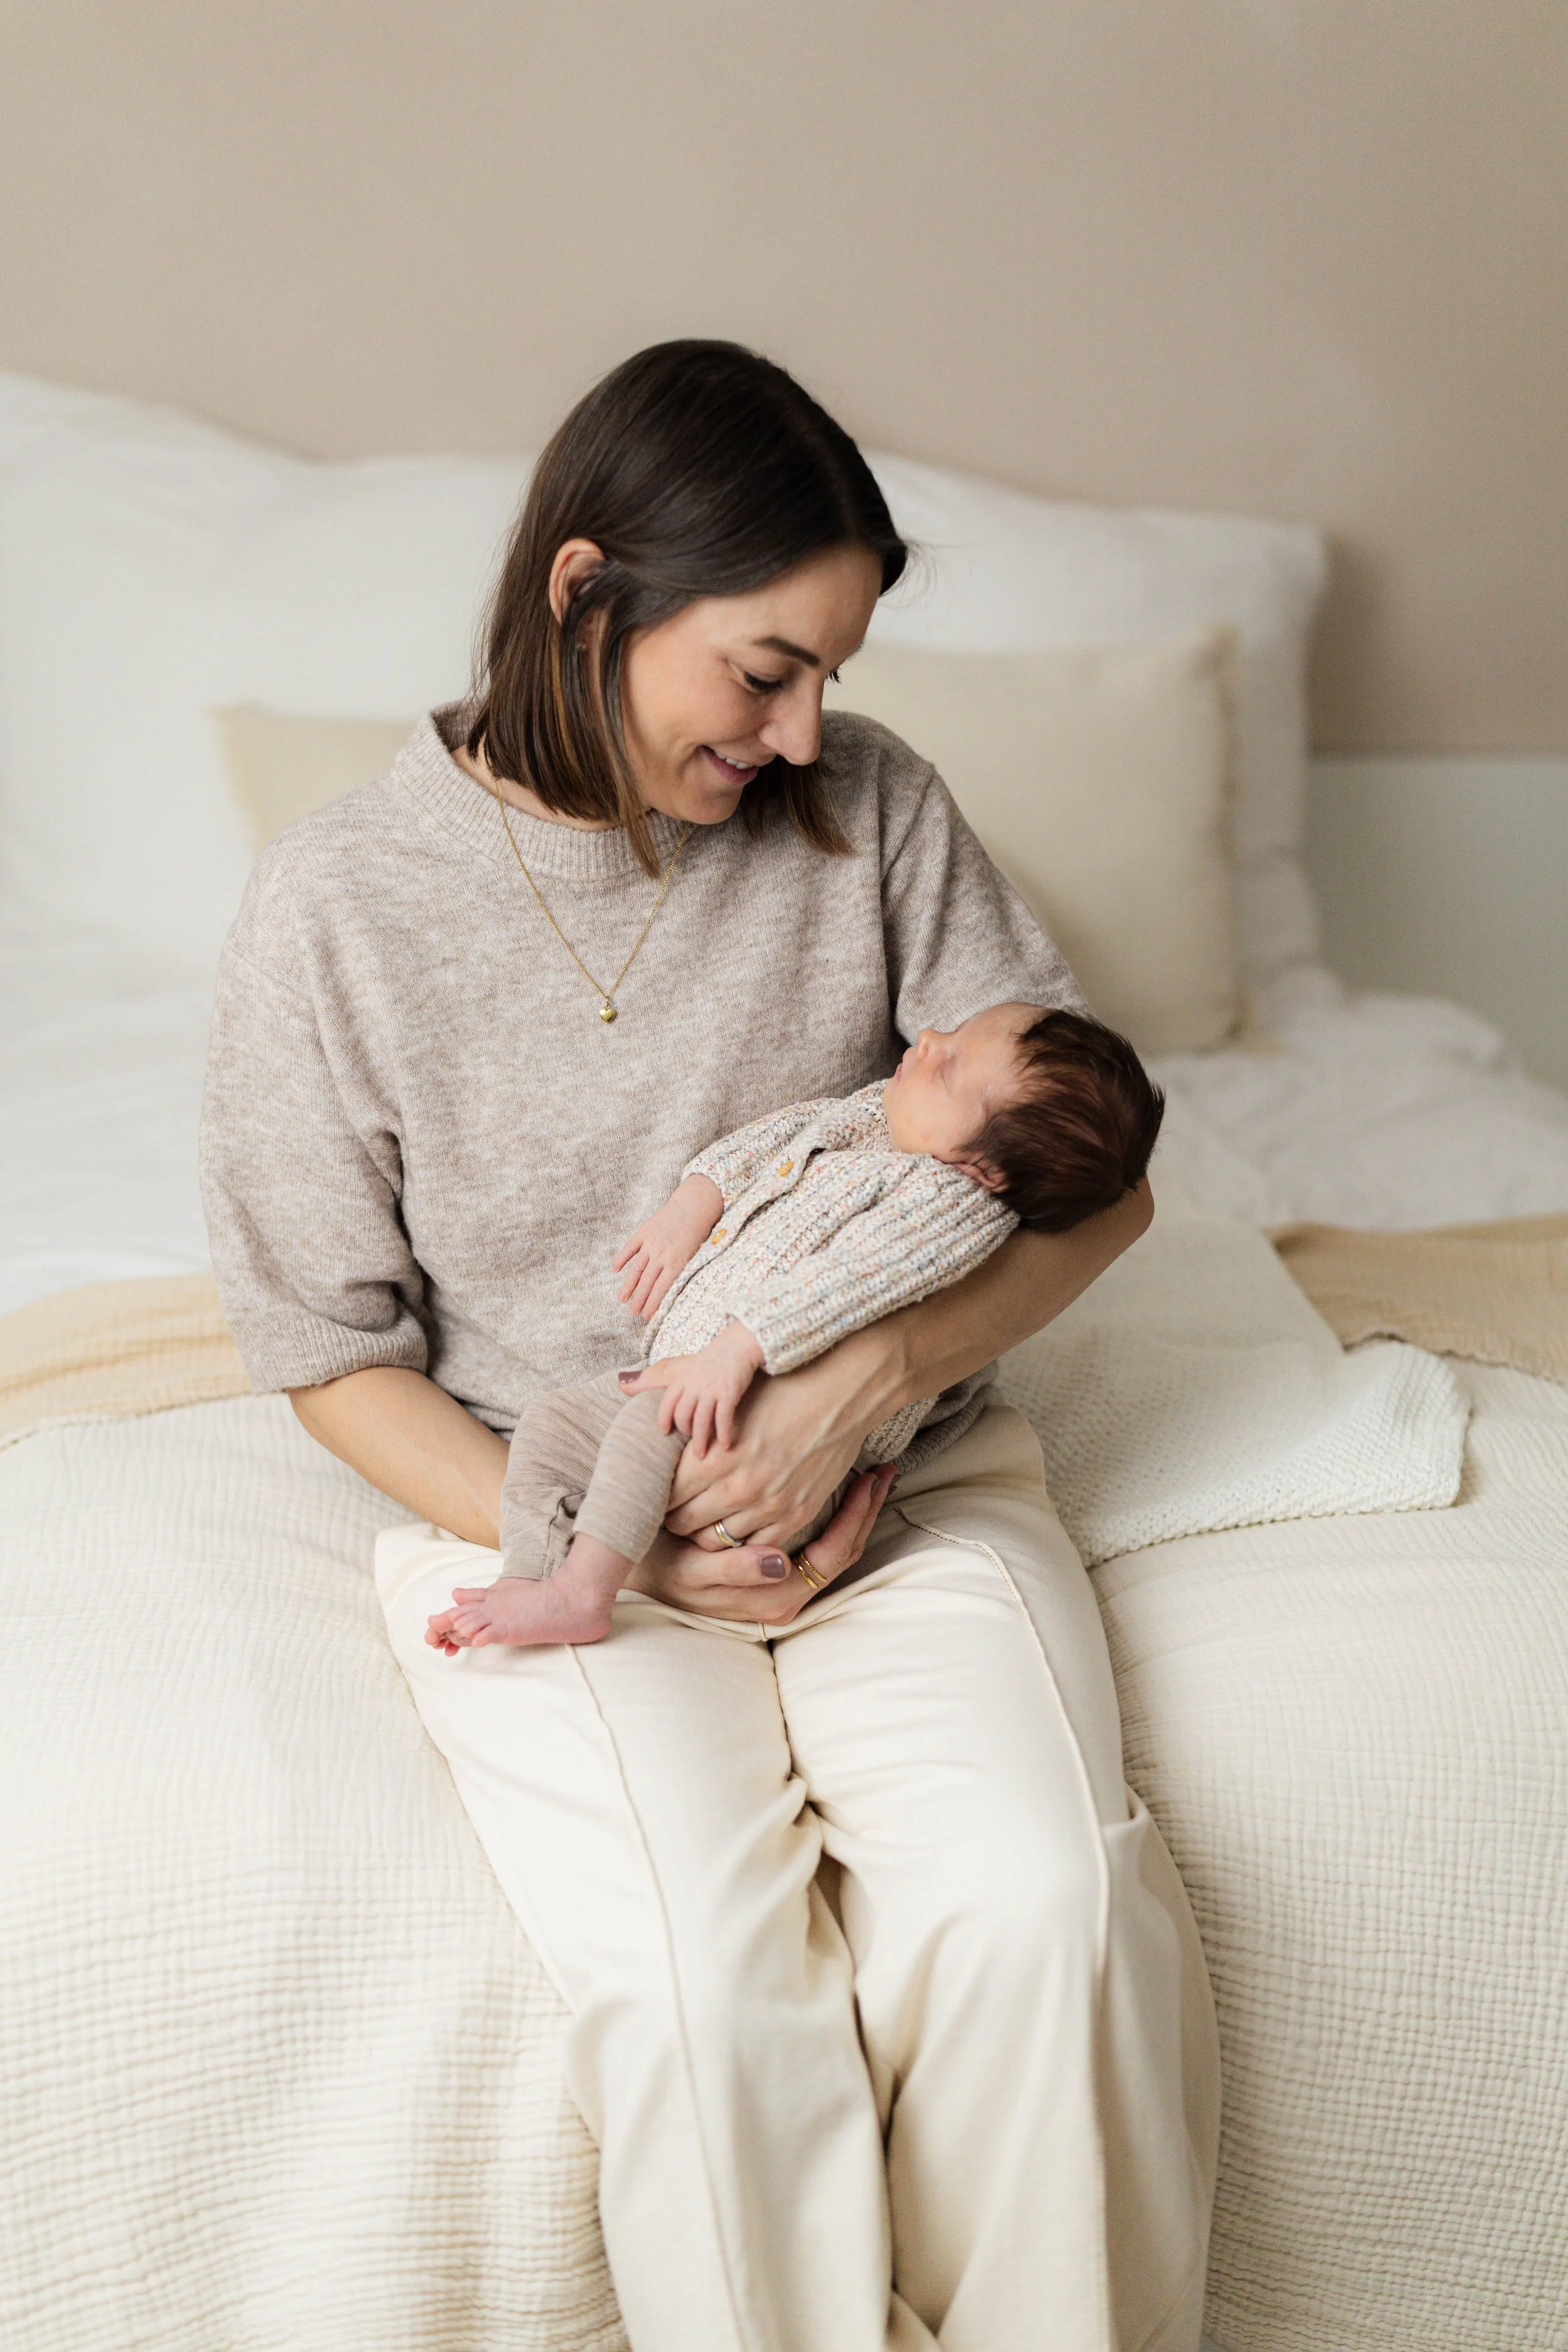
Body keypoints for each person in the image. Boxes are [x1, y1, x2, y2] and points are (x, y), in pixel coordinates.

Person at [201, 339, 1219, 2352]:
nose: (803, 726)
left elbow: (1097, 1176)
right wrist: (610, 1537)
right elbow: (324, 1345)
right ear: (586, 593)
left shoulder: (871, 811)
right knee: (696, 1986)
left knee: (1045, 1904)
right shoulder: (334, 903)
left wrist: (860, 1381)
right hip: (550, 1506)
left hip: (898, 1487)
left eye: (829, 672)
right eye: (764, 669)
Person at [429, 1002, 1165, 1650]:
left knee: (645, 1432)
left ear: (986, 1170)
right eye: (952, 1033)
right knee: (553, 1426)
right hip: (693, 1377)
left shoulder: (950, 1206)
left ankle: (582, 1595)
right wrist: (697, 1198)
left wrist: (740, 1346)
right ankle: (530, 1576)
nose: (931, 1038)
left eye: (949, 1069)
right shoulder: (879, 1118)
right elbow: (781, 1134)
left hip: (765, 1403)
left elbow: (846, 1284)